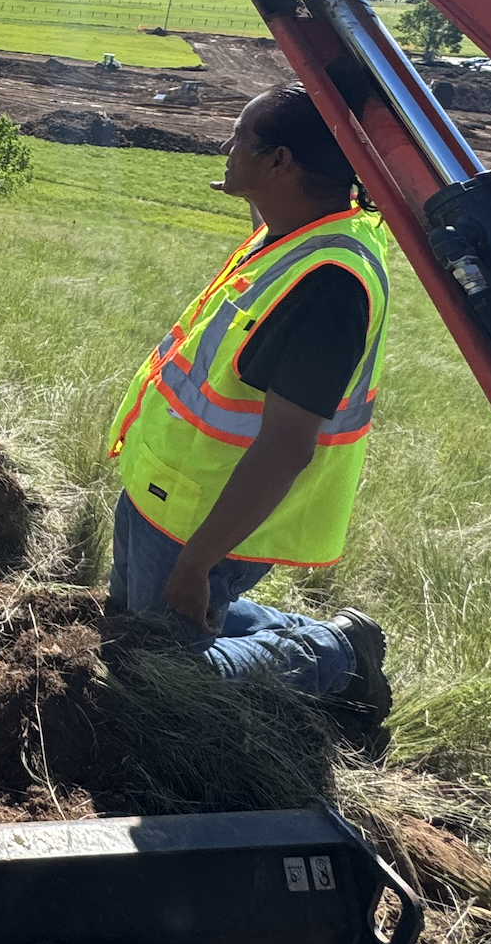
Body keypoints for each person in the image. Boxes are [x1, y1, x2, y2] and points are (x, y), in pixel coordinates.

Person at [104, 82, 394, 719]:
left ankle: (337, 652)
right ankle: (280, 625)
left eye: (240, 140)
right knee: (128, 630)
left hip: (205, 522)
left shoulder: (329, 286)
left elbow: (286, 448)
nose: (226, 148)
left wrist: (199, 563)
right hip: (163, 490)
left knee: (161, 681)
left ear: (282, 162)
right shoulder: (293, 227)